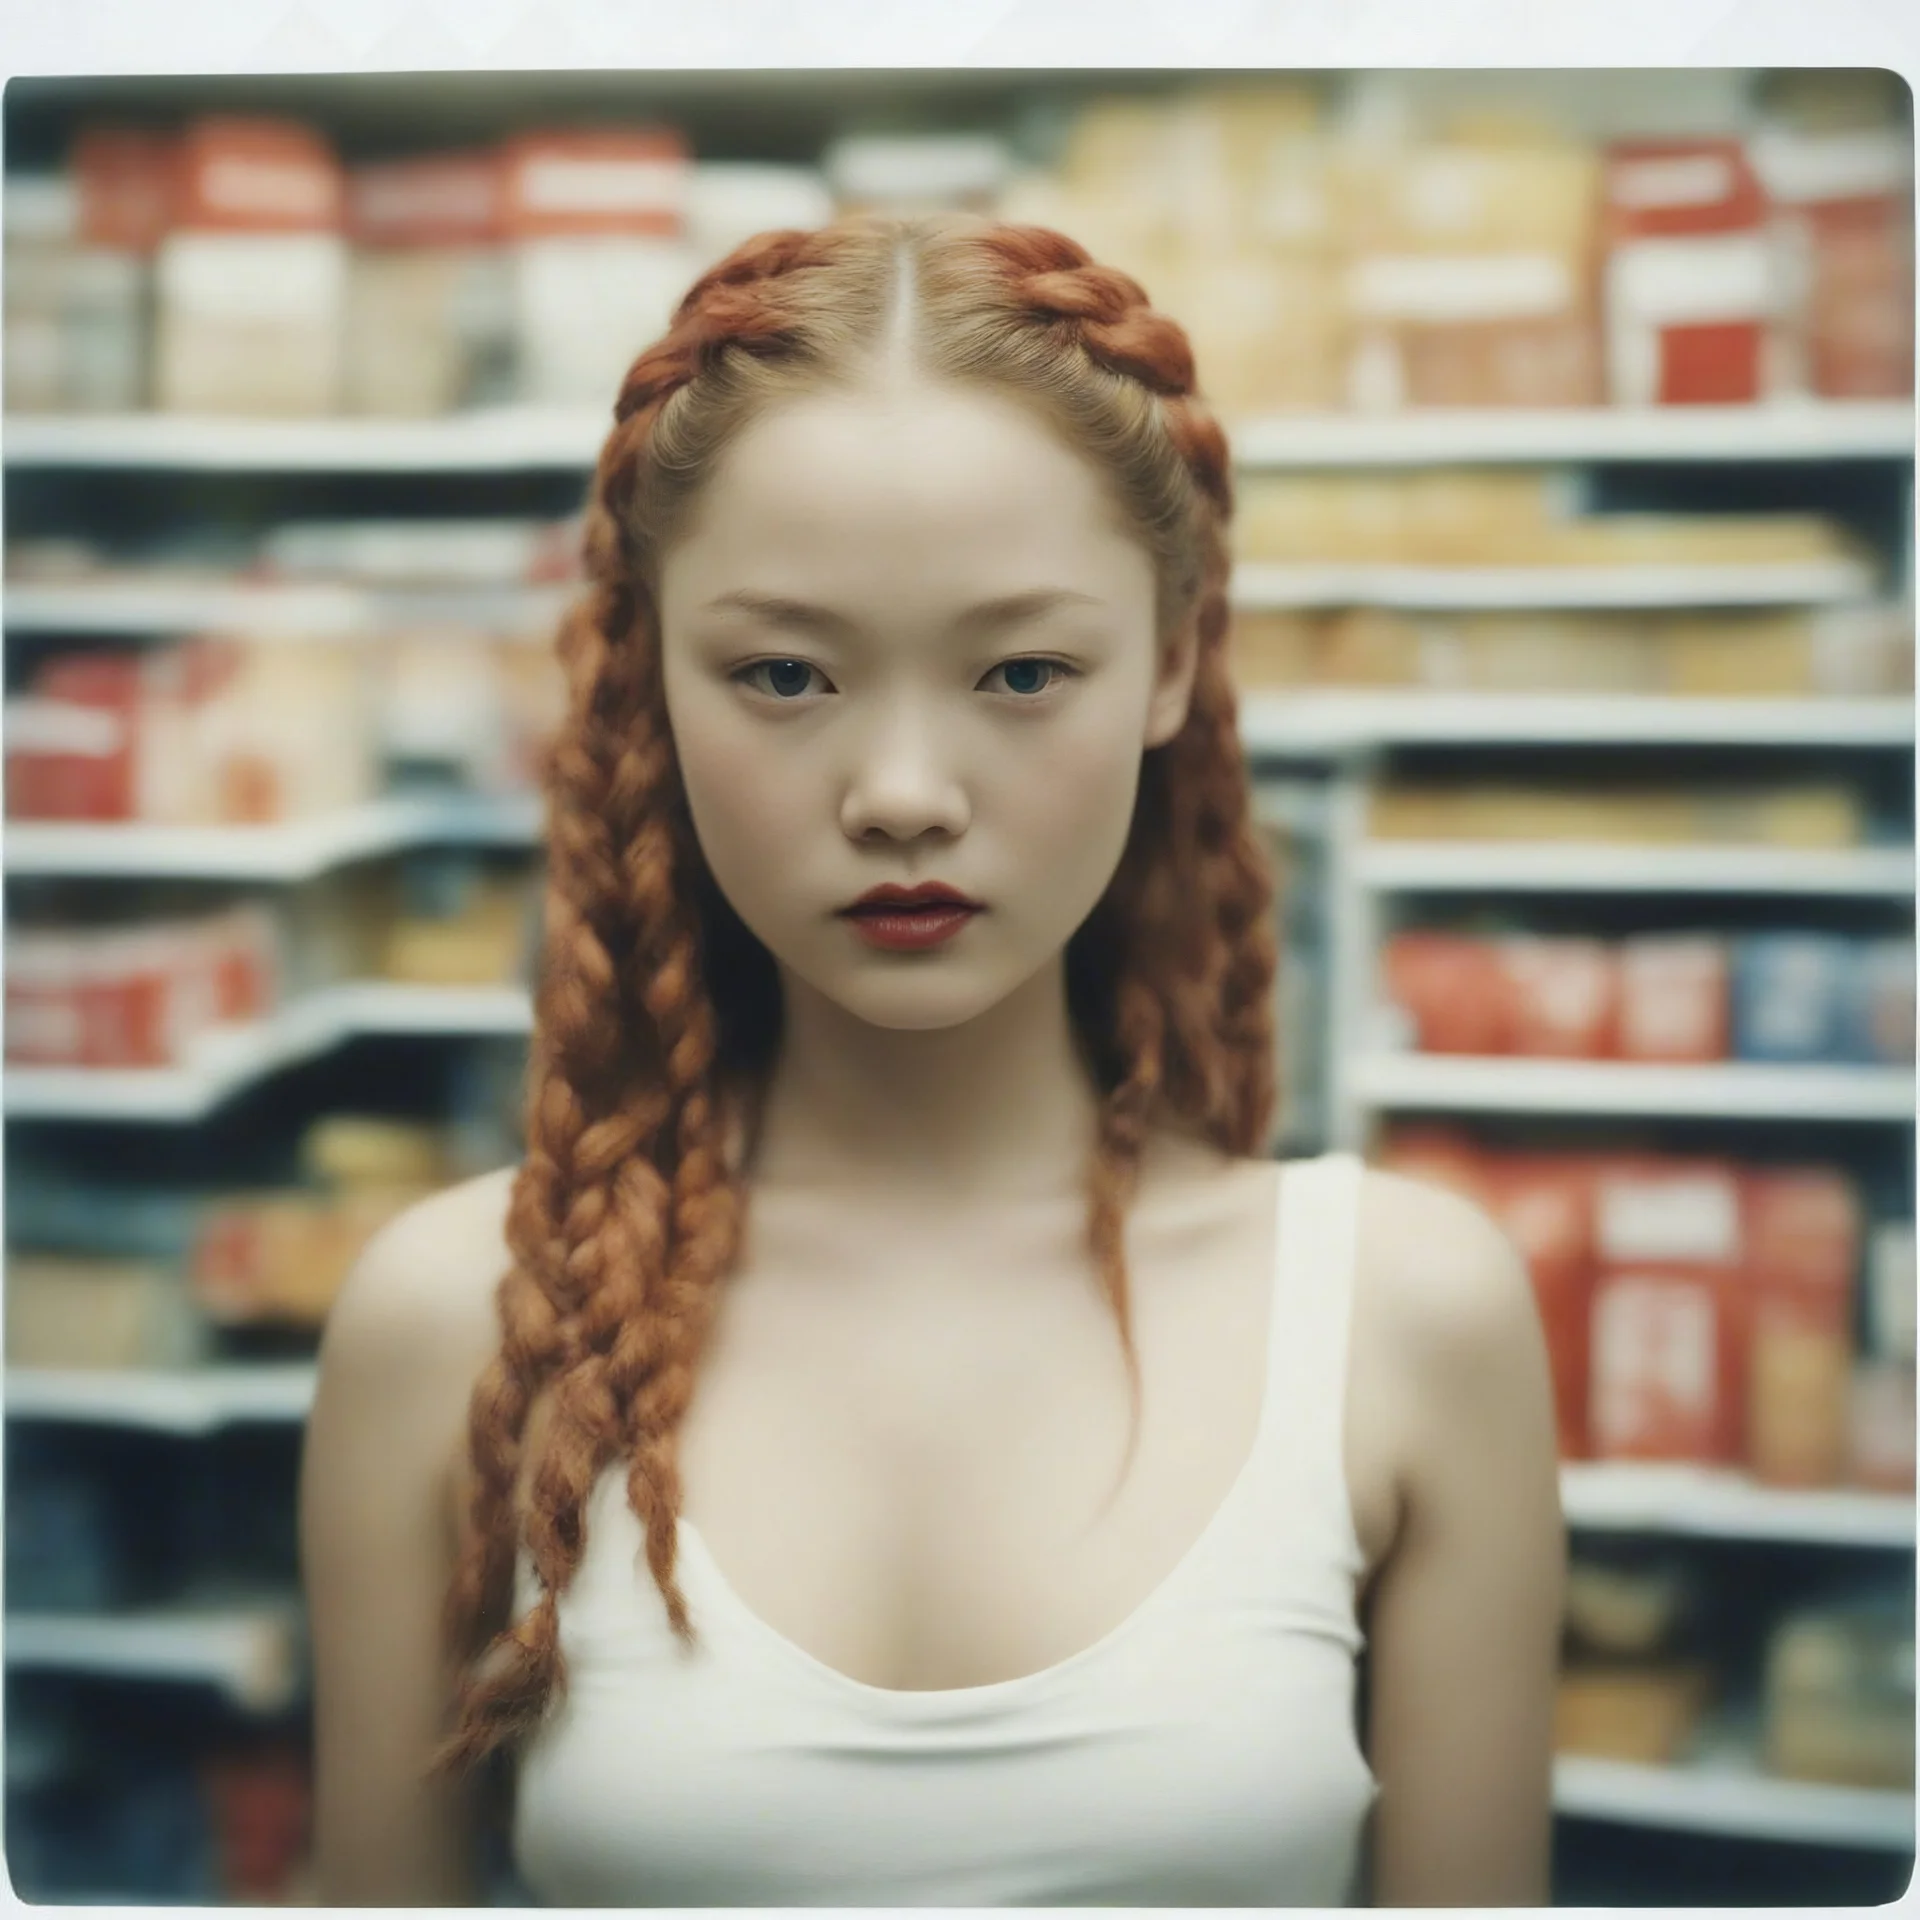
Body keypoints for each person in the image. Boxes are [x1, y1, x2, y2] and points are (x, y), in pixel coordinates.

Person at [299, 211, 1566, 1907]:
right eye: (787, 674)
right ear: (651, 686)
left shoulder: (1407, 1324)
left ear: (1173, 662)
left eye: (1024, 669)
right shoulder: (455, 1332)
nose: (902, 787)